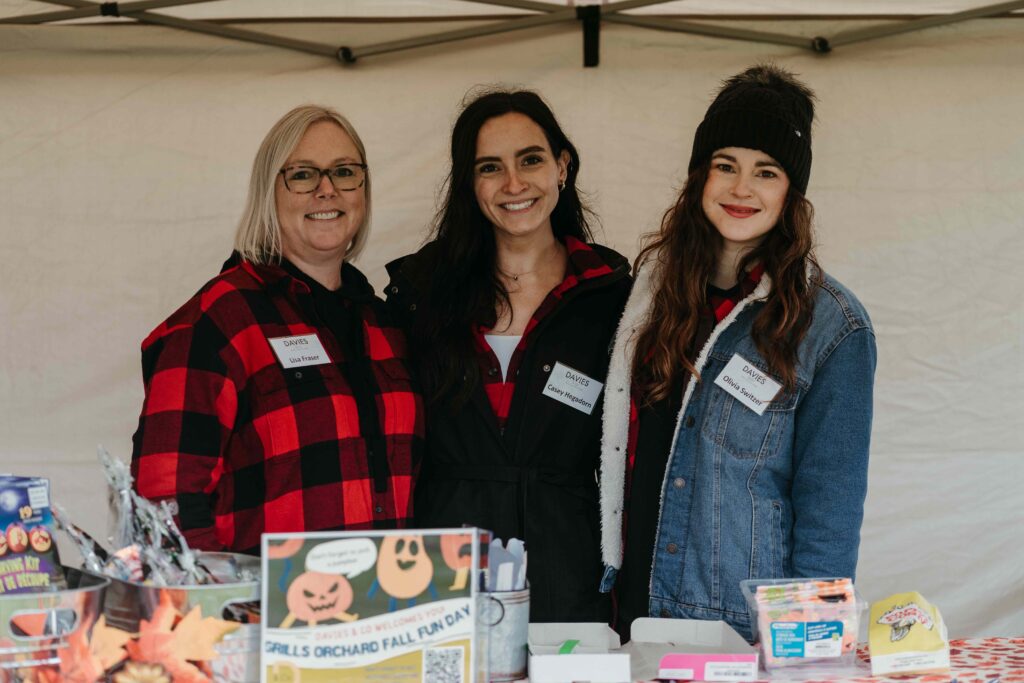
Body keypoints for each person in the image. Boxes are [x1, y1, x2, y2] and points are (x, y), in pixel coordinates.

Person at [599, 65, 876, 641]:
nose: (741, 189)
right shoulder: (649, 295)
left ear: (791, 192)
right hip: (633, 613)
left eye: (765, 172)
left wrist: (807, 649)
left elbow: (829, 511)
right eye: (726, 165)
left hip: (739, 627)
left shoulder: (833, 326)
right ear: (701, 176)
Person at [131, 105, 423, 553]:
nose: (327, 191)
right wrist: (219, 607)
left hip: (389, 609)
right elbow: (163, 501)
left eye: (345, 172)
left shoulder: (388, 326)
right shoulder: (219, 322)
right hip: (266, 615)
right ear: (270, 190)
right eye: (303, 175)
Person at [386, 90, 631, 622]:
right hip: (438, 576)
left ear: (562, 166)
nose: (514, 184)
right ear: (469, 184)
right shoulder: (417, 295)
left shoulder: (613, 298)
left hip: (567, 576)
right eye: (490, 167)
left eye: (531, 160)